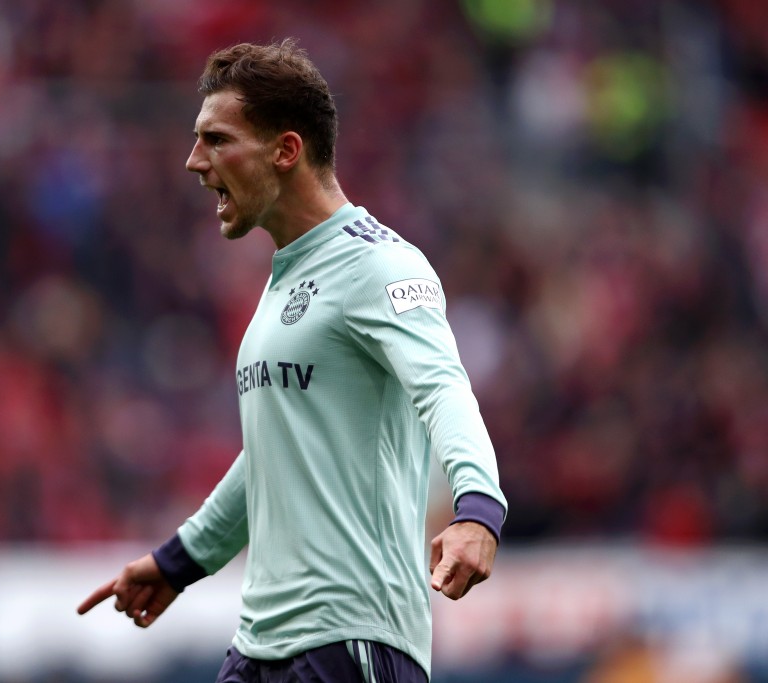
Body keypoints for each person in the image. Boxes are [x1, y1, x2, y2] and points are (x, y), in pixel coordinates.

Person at [77, 38, 507, 683]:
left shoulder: (380, 264)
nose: (194, 162)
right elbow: (276, 451)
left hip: (351, 636)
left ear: (285, 151)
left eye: (217, 140)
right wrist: (178, 561)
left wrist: (478, 509)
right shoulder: (284, 283)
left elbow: (443, 388)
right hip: (261, 643)